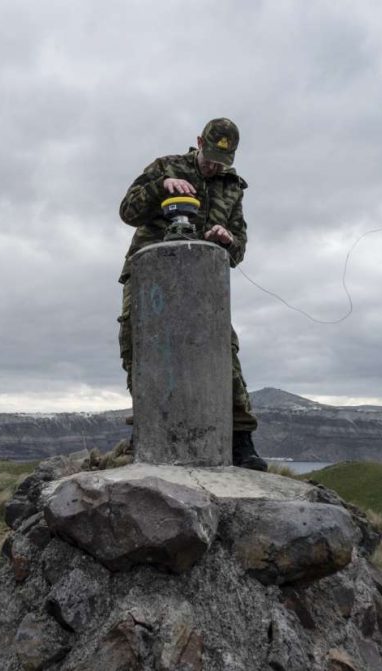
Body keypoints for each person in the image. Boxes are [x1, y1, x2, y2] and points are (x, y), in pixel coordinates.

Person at [117, 117, 267, 471]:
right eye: (212, 156)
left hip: (202, 277)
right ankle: (148, 428)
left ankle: (241, 440)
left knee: (221, 347)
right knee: (136, 341)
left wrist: (226, 239)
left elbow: (239, 248)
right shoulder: (165, 166)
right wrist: (160, 186)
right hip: (150, 271)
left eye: (223, 161)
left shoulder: (232, 188)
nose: (216, 166)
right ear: (200, 141)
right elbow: (128, 211)